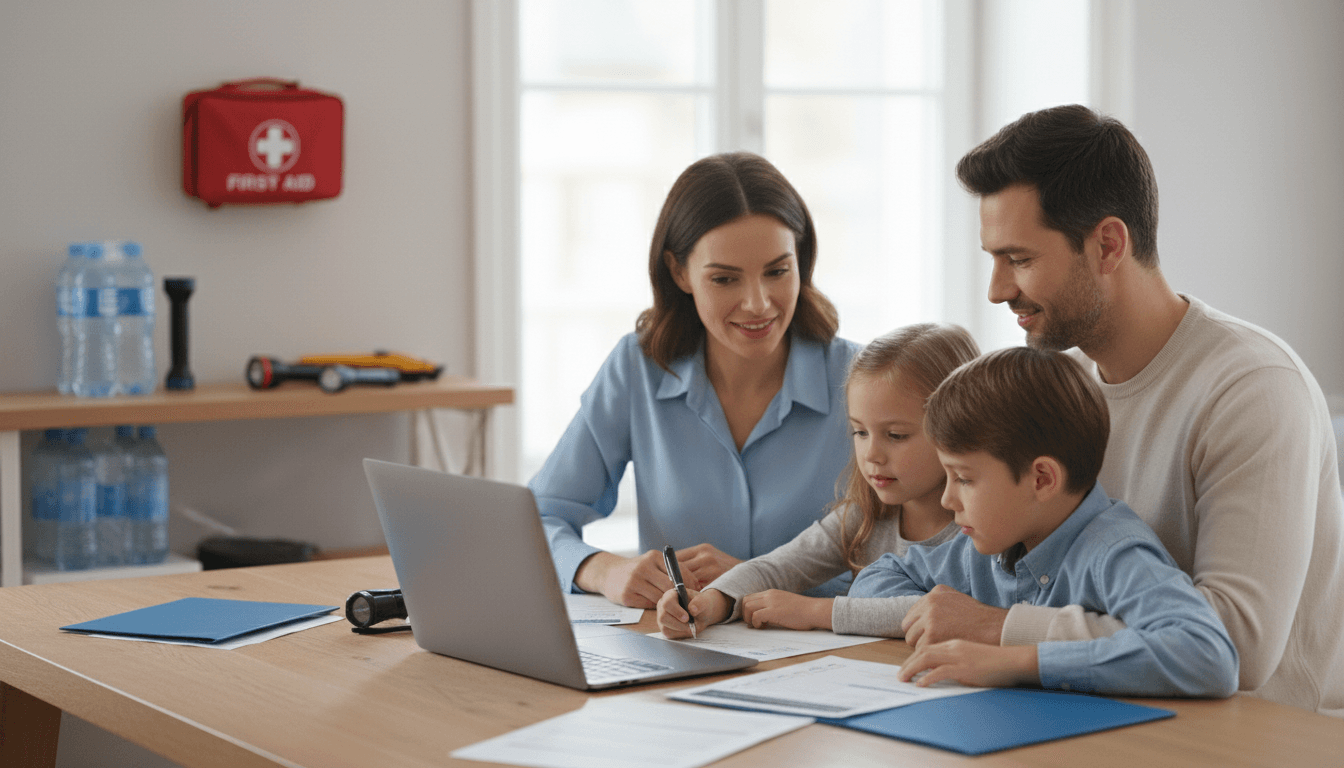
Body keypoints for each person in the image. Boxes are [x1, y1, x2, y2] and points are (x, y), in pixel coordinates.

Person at [910, 104, 1344, 714]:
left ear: (1108, 244)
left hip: (1246, 740)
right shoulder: (1064, 388)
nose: (998, 289)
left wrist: (1001, 628)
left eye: (1020, 259)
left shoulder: (1252, 388)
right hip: (1095, 711)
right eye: (994, 259)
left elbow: (1235, 650)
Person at [531, 152, 862, 609]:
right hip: (677, 652)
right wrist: (605, 569)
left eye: (777, 271)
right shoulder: (637, 368)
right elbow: (539, 516)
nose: (758, 303)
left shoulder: (862, 382)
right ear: (679, 271)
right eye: (725, 279)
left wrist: (756, 582)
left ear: (801, 262)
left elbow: (912, 559)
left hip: (829, 657)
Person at [850, 347, 1239, 697]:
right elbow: (878, 576)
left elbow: (1208, 654)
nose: (947, 498)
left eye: (964, 478)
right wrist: (941, 618)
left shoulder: (1114, 552)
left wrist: (1016, 661)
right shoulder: (988, 548)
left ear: (1042, 480)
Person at [657, 323, 979, 638]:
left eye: (895, 435)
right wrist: (707, 604)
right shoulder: (865, 517)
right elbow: (779, 567)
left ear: (957, 430)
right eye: (860, 432)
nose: (871, 454)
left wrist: (815, 612)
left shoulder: (984, 532)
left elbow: (942, 611)